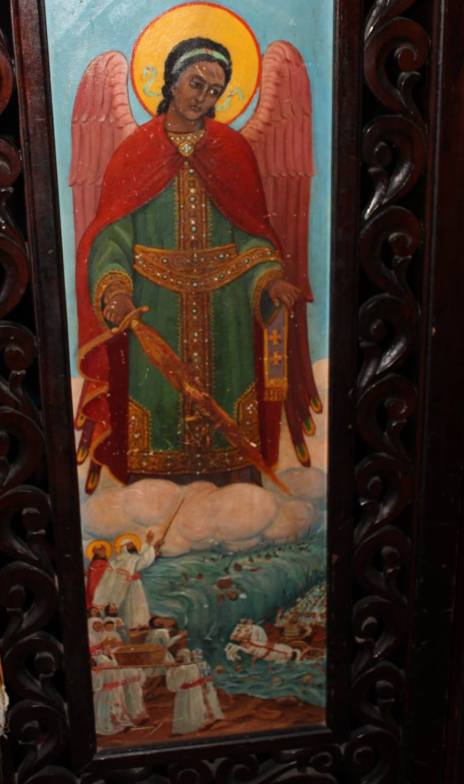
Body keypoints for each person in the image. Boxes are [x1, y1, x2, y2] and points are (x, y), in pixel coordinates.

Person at [75, 37, 302, 493]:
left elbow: (251, 235)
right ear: (172, 82)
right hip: (155, 304)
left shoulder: (232, 150)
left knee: (230, 412)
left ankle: (235, 490)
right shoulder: (137, 151)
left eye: (214, 91)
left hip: (227, 306)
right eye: (196, 84)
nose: (203, 97)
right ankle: (152, 491)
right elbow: (112, 236)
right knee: (155, 404)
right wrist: (115, 289)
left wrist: (270, 279)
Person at [93, 531, 158, 629]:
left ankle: (135, 625)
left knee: (134, 606)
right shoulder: (125, 560)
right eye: (130, 544)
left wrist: (149, 543)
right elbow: (144, 560)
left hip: (132, 585)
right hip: (123, 587)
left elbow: (143, 557)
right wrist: (148, 543)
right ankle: (125, 626)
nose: (133, 546)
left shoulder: (130, 558)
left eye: (132, 544)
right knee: (126, 606)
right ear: (124, 547)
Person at [166, 648, 208, 735]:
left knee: (184, 709)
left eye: (178, 657)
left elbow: (175, 685)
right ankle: (196, 725)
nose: (177, 658)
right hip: (195, 691)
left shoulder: (181, 669)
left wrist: (169, 670)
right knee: (194, 708)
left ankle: (184, 729)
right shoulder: (195, 666)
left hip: (185, 692)